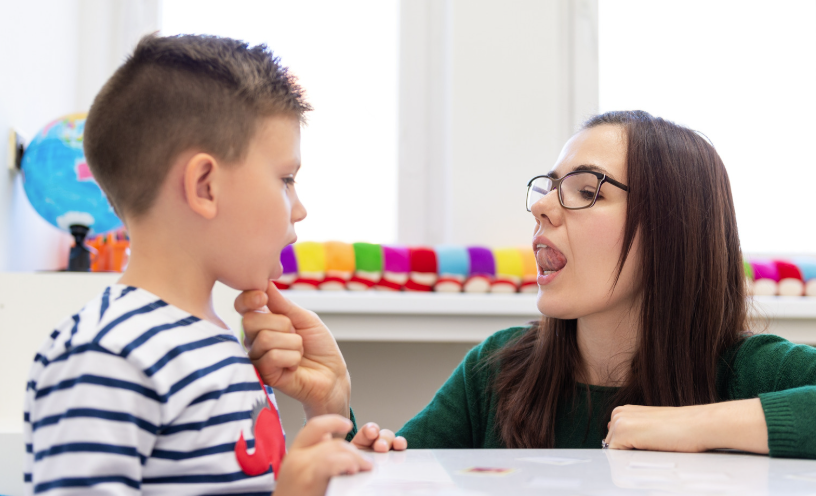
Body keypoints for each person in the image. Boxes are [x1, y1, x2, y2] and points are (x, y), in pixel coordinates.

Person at [240, 110, 816, 457]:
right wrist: (332, 410)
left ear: (674, 230)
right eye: (548, 186)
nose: (541, 207)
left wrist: (692, 426)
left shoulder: (748, 372)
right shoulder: (495, 373)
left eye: (587, 190)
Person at [23, 34, 402, 496]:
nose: (299, 209)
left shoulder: (216, 341)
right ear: (205, 186)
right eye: (285, 179)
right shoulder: (106, 357)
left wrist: (329, 424)